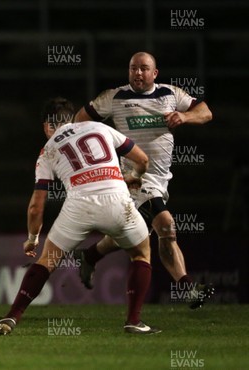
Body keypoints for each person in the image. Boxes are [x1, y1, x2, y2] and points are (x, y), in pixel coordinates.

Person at [0, 98, 160, 335]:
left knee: (47, 260)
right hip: (118, 201)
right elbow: (143, 159)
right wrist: (132, 177)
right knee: (141, 253)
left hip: (78, 207)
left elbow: (37, 205)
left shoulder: (47, 150)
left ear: (48, 126)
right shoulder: (100, 127)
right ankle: (133, 321)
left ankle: (11, 317)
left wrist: (33, 238)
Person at [73, 51, 214, 309]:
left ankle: (90, 256)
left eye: (144, 68)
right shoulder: (114, 97)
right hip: (134, 179)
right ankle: (187, 289)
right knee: (166, 226)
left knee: (131, 233)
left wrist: (185, 116)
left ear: (154, 73)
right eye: (133, 68)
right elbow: (79, 121)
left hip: (160, 180)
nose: (138, 73)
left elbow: (206, 112)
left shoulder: (170, 95)